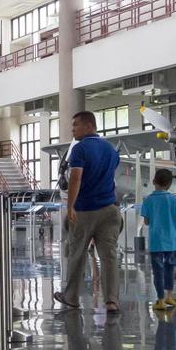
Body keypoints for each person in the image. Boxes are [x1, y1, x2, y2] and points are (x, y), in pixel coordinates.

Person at [54, 111, 123, 313]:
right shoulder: (111, 150)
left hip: (85, 210)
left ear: (89, 125)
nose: (72, 129)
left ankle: (72, 297)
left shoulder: (80, 149)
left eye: (75, 125)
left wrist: (70, 206)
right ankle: (111, 300)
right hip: (110, 210)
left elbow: (76, 178)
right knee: (109, 256)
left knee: (77, 254)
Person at [140, 168, 176, 312]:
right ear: (170, 184)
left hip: (156, 242)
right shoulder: (173, 199)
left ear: (153, 182)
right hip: (171, 241)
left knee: (157, 271)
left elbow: (146, 222)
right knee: (169, 269)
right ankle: (169, 296)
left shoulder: (148, 200)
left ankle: (160, 300)